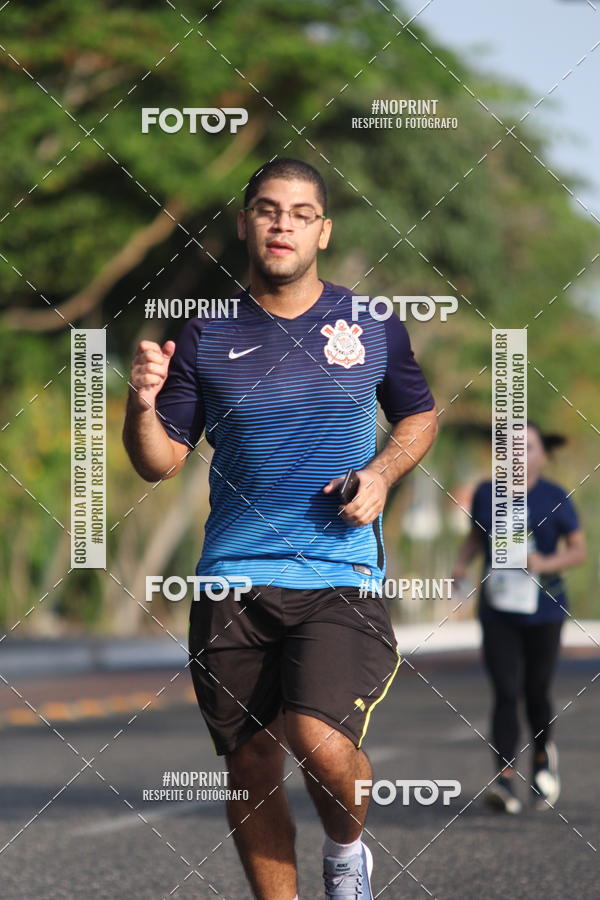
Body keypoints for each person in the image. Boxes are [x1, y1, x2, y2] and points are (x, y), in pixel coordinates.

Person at [123, 157, 437, 899]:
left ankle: (344, 851)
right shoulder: (204, 335)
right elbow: (159, 462)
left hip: (338, 575)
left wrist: (383, 475)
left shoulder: (372, 325)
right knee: (251, 764)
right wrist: (140, 405)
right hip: (232, 576)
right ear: (245, 225)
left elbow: (418, 415)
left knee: (319, 743)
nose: (282, 224)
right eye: (268, 210)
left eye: (300, 213)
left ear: (322, 231)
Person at [452, 422, 586, 814]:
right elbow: (477, 537)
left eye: (526, 448)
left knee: (536, 691)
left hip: (545, 608)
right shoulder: (485, 492)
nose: (518, 456)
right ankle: (505, 780)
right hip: (498, 608)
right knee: (506, 691)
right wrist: (460, 566)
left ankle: (543, 758)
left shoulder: (554, 497)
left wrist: (546, 562)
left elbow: (578, 551)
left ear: (542, 455)